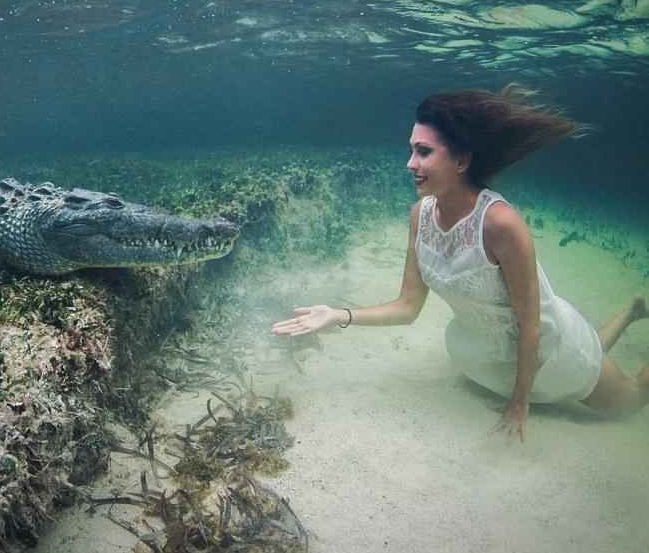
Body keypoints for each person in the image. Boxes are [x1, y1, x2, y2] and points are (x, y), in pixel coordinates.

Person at [271, 85, 649, 443]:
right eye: (411, 150)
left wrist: (519, 405)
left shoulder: (501, 223)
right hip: (490, 356)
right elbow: (407, 307)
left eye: (423, 152)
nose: (410, 163)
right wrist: (338, 314)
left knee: (629, 402)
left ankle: (628, 318)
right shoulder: (420, 215)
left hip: (548, 350)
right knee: (594, 353)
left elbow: (532, 327)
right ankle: (633, 311)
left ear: (461, 160)